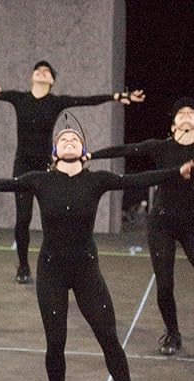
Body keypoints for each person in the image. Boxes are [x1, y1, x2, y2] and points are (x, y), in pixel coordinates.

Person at [0, 123, 194, 381]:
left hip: (86, 271)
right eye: (63, 139)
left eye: (75, 139)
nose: (69, 140)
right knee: (56, 342)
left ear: (84, 151)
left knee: (108, 337)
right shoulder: (40, 180)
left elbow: (137, 178)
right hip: (51, 271)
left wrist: (177, 172)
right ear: (55, 152)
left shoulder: (97, 180)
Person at [0, 61, 145, 284]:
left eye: (47, 72)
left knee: (56, 217)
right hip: (23, 166)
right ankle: (23, 265)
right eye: (38, 70)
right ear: (32, 76)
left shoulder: (56, 102)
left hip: (47, 167)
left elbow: (87, 100)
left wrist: (117, 97)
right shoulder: (19, 98)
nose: (42, 72)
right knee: (23, 218)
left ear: (52, 81)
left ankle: (61, 262)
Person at [88, 97, 194, 355]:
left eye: (191, 112)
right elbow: (125, 150)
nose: (186, 115)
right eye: (181, 112)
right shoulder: (161, 147)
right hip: (162, 224)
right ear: (173, 125)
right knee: (165, 284)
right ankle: (172, 333)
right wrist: (90, 155)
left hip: (192, 224)